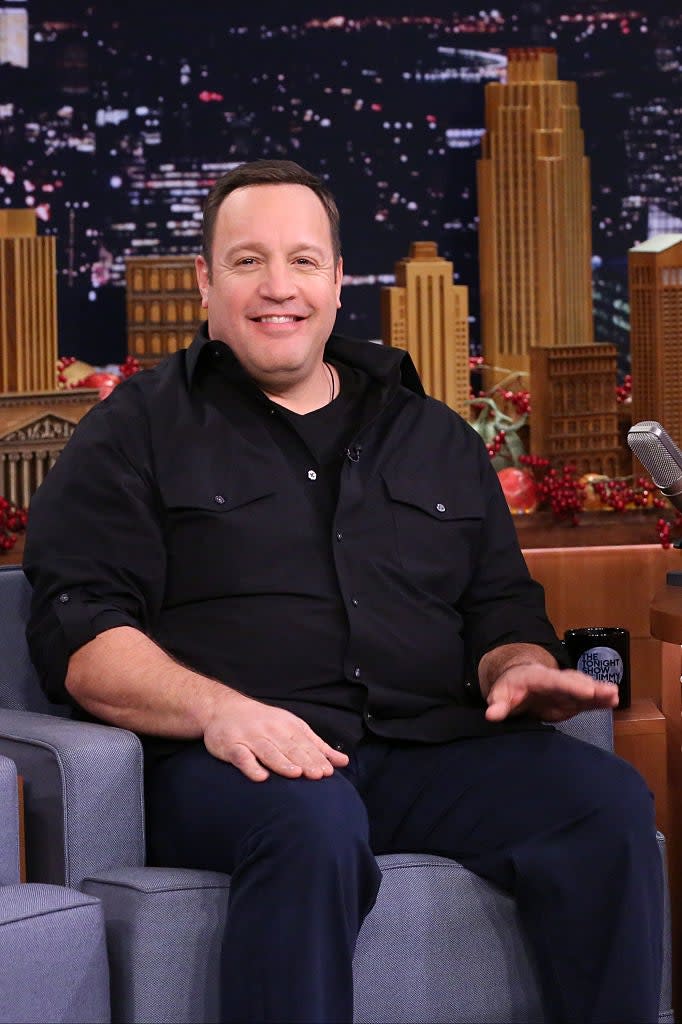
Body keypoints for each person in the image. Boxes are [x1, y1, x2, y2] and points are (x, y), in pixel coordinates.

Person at [23, 159, 662, 1024]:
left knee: (606, 802)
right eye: (248, 262)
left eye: (303, 260)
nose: (277, 287)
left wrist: (518, 663)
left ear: (335, 279)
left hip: (424, 749)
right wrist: (220, 711)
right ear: (207, 282)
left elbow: (501, 606)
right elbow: (82, 635)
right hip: (234, 766)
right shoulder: (133, 431)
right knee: (311, 823)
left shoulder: (430, 433)